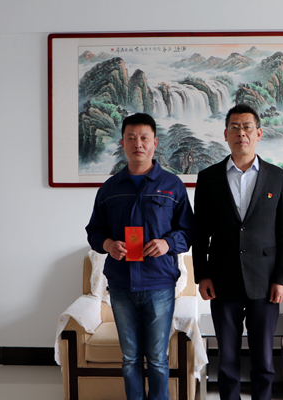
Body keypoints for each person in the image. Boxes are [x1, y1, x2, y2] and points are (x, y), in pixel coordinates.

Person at [85, 113, 195, 400]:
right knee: (130, 358)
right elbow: (94, 231)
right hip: (121, 284)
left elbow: (188, 231)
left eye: (144, 138)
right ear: (123, 143)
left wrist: (167, 244)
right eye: (131, 138)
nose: (138, 144)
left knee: (157, 358)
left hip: (159, 284)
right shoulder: (110, 188)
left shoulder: (172, 185)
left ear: (155, 143)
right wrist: (109, 244)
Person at [193, 104, 283, 400]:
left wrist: (282, 278)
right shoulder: (208, 177)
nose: (241, 133)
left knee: (264, 361)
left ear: (258, 133)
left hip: (266, 282)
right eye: (234, 127)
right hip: (222, 280)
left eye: (247, 127)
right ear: (225, 134)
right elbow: (200, 232)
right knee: (227, 360)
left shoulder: (278, 177)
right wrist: (202, 275)